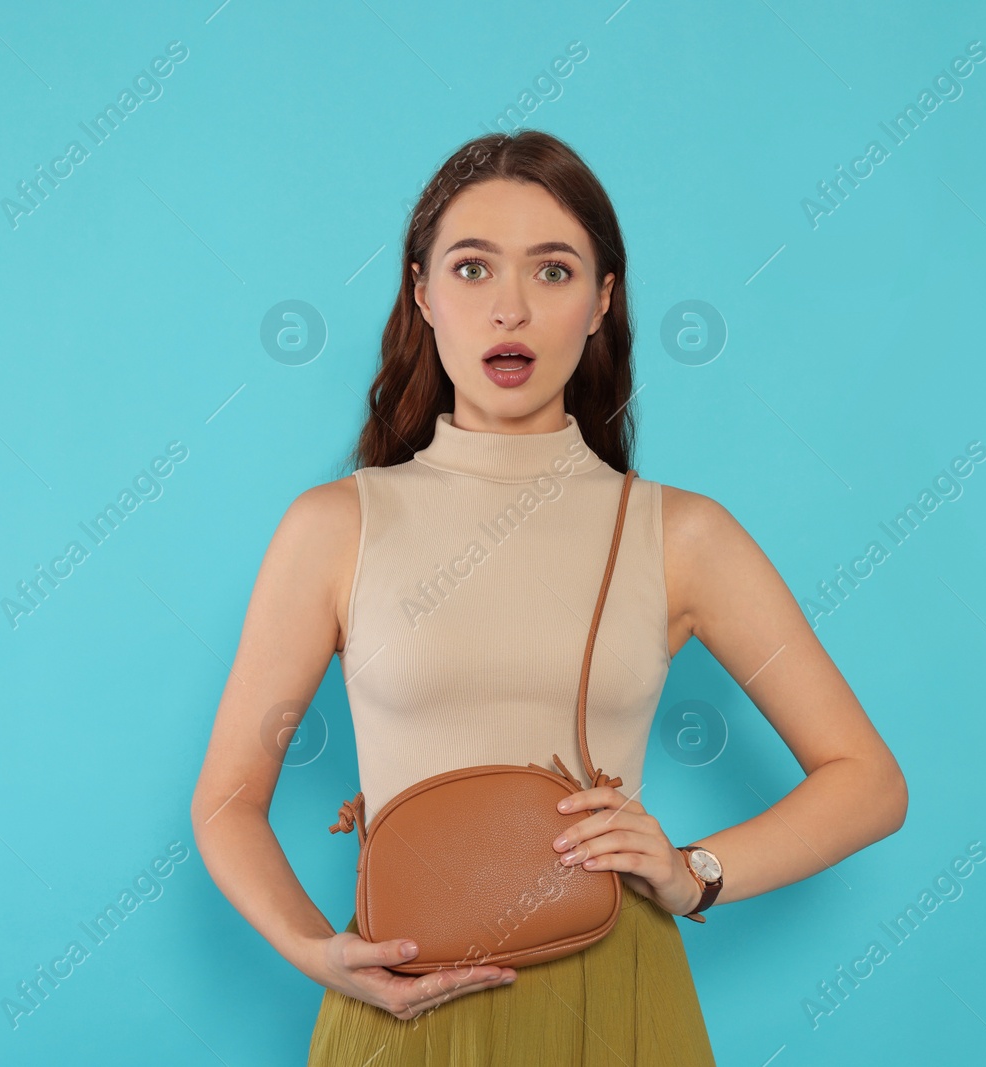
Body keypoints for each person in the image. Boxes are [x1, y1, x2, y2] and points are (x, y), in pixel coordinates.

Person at [190, 130, 908, 1065]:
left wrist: (697, 873)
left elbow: (869, 780)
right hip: (403, 1006)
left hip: (614, 997)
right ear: (422, 292)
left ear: (603, 300)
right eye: (474, 268)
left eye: (555, 271)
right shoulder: (336, 525)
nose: (512, 309)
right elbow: (226, 801)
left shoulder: (681, 534)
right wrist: (313, 950)